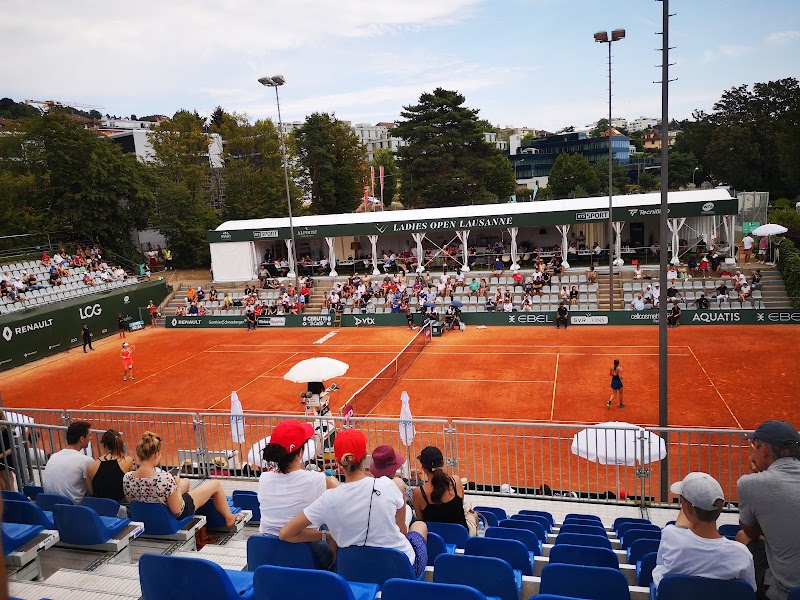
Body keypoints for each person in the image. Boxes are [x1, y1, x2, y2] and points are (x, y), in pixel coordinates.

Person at [280, 429, 428, 578]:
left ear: (338, 462)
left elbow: (286, 534)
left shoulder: (328, 499)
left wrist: (326, 536)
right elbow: (402, 532)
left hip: (353, 572)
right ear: (364, 456)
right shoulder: (389, 485)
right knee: (420, 526)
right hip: (401, 569)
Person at [652, 472, 755, 591]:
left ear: (687, 508)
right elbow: (748, 591)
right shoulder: (741, 554)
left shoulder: (670, 535)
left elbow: (660, 584)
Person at [257, 420, 338, 568]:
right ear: (301, 452)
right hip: (308, 552)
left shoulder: (264, 479)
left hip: (267, 551)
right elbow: (345, 496)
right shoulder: (316, 479)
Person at [124, 432, 243, 527]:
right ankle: (229, 518)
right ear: (155, 454)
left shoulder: (127, 477)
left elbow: (132, 500)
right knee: (215, 484)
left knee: (186, 482)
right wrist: (177, 486)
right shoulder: (164, 479)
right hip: (174, 513)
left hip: (146, 516)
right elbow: (177, 510)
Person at [737, 421, 800, 600]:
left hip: (783, 593)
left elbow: (752, 531)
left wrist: (757, 476)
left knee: (743, 536)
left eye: (753, 447)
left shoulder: (750, 484)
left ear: (764, 449)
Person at [412, 446, 468, 530]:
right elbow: (460, 505)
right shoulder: (456, 481)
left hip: (434, 539)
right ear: (442, 463)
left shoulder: (418, 493)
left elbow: (421, 521)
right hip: (461, 537)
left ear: (423, 468)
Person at [43, 421, 94, 504]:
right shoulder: (86, 460)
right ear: (82, 439)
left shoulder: (54, 456)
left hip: (48, 504)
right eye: (90, 435)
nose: (91, 438)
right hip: (72, 508)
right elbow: (91, 491)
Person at [86, 430, 134, 505]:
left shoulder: (91, 466)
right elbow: (128, 485)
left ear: (104, 444)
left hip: (99, 506)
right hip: (120, 505)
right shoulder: (128, 460)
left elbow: (90, 491)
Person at [0, 412, 15, 490]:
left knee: (8, 481)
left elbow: (12, 448)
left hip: (4, 460)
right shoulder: (7, 429)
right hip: (4, 460)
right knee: (8, 482)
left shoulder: (6, 430)